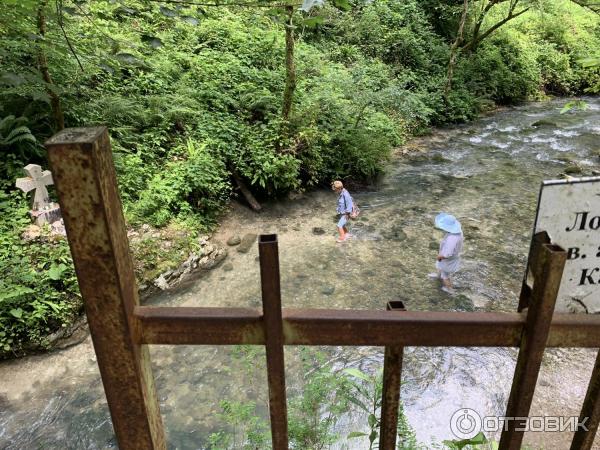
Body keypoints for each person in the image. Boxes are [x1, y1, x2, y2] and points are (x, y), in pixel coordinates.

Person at [429, 212, 464, 294]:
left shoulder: (452, 239)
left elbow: (447, 254)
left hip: (448, 259)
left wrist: (439, 257)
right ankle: (438, 276)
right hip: (453, 256)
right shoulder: (459, 232)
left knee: (445, 276)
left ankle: (450, 289)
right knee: (440, 266)